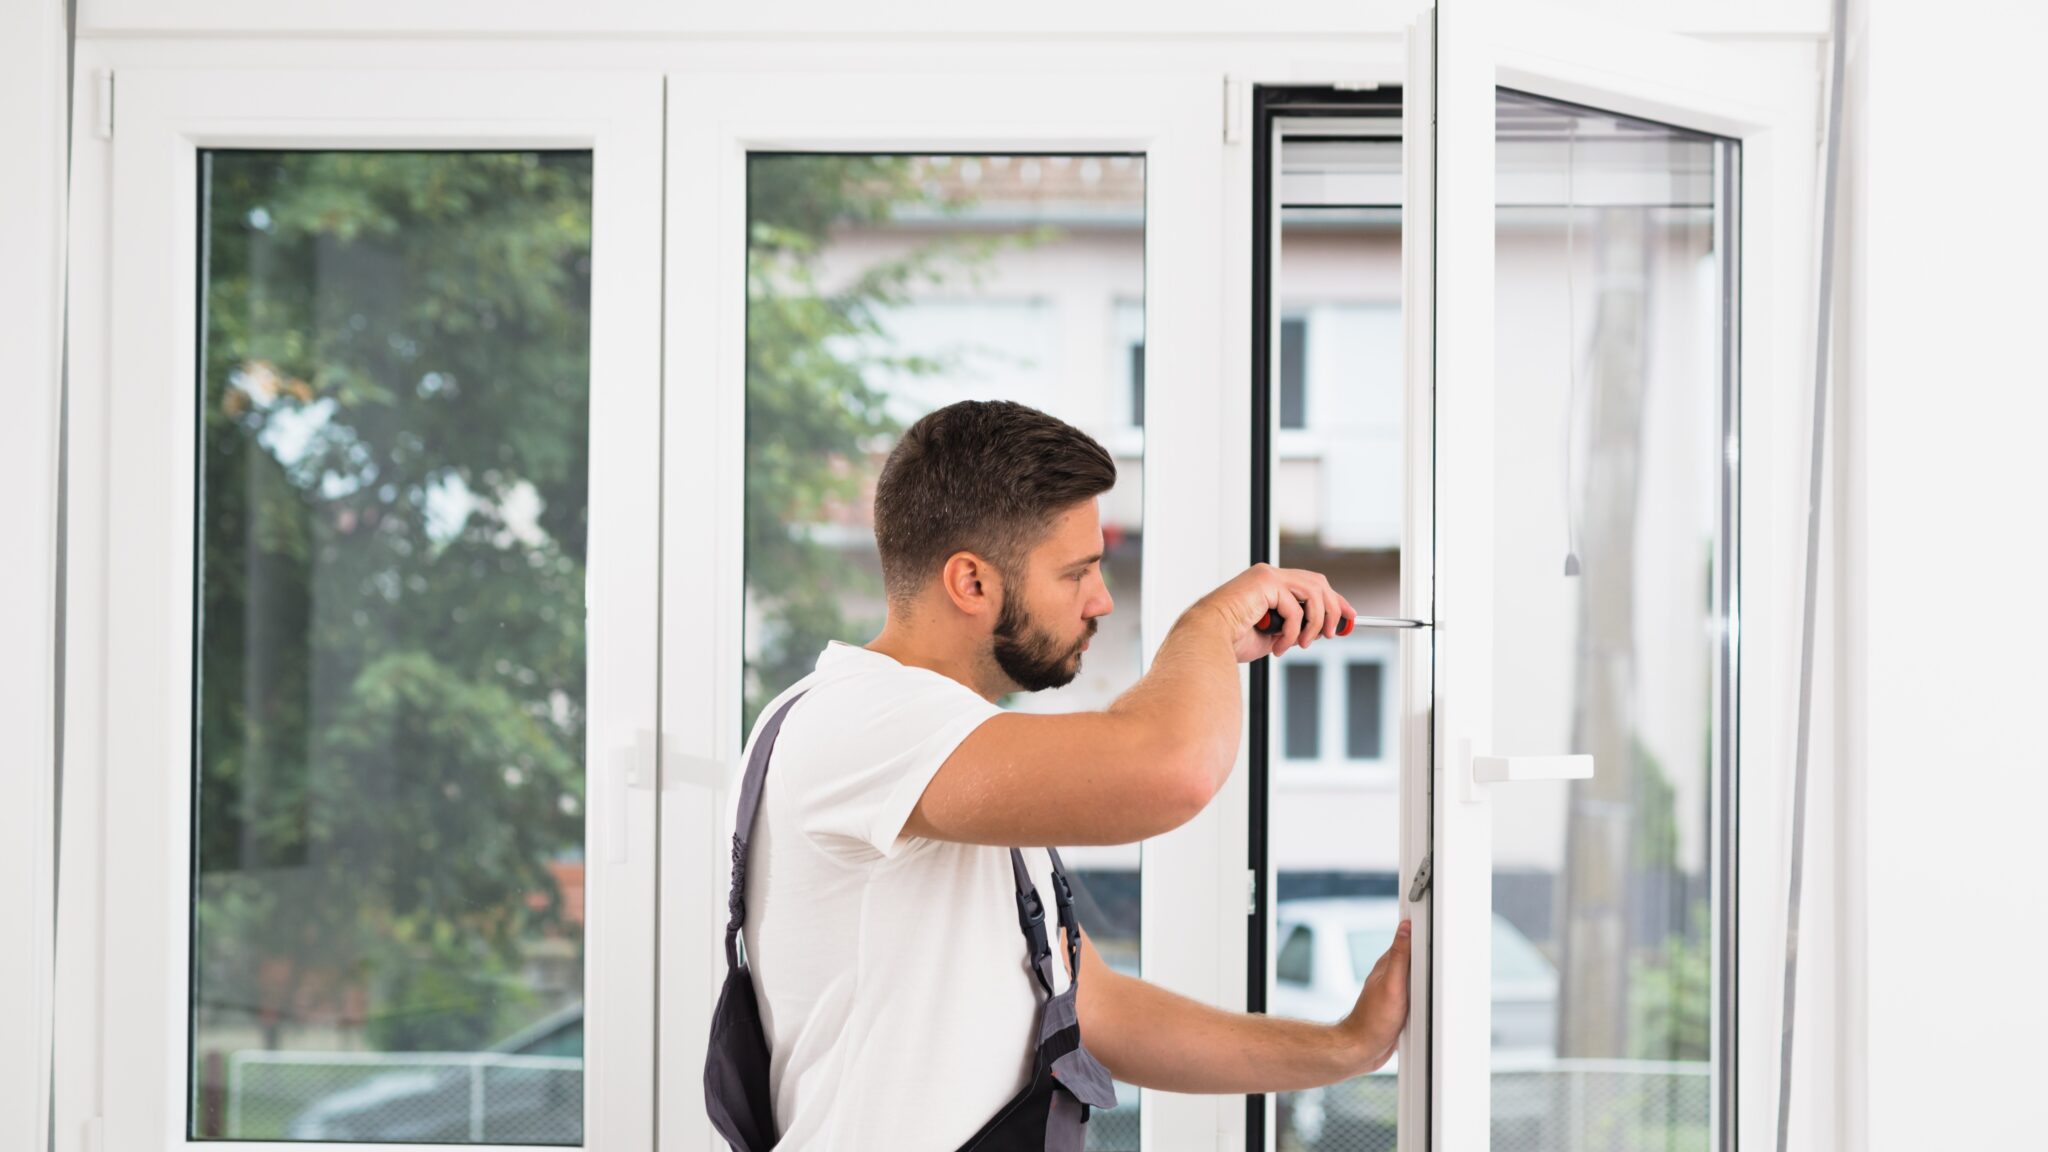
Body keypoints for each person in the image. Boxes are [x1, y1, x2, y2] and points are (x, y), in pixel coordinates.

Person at [717, 399, 1411, 1149]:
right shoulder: (863, 721)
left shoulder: (948, 751)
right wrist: (1205, 629)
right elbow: (1170, 771)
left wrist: (1349, 1046)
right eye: (1076, 572)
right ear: (972, 583)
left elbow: (1094, 1008)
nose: (1100, 600)